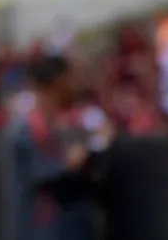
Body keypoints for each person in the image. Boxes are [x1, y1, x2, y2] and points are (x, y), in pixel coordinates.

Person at [12, 54, 112, 240]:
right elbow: (40, 174)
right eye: (71, 78)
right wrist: (69, 163)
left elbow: (92, 171)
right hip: (46, 225)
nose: (76, 84)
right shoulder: (27, 129)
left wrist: (98, 144)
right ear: (58, 82)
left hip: (78, 224)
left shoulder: (77, 122)